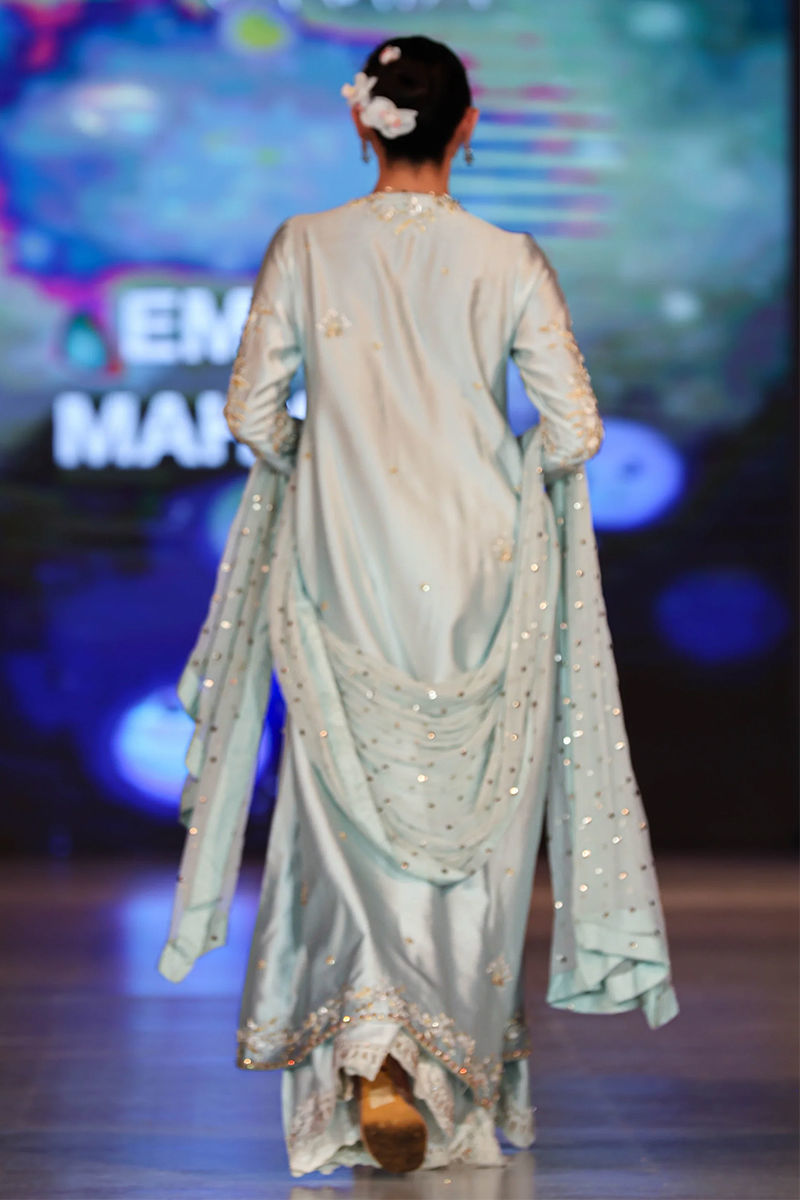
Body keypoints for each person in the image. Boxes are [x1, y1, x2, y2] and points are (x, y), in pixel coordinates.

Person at [158, 34, 679, 1179]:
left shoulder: (304, 244)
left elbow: (250, 414)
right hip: (477, 563)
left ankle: (368, 1051)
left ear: (363, 122)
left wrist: (324, 459)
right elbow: (574, 431)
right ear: (466, 129)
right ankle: (437, 1075)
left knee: (343, 812)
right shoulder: (507, 258)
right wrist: (499, 478)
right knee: (469, 824)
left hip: (343, 557)